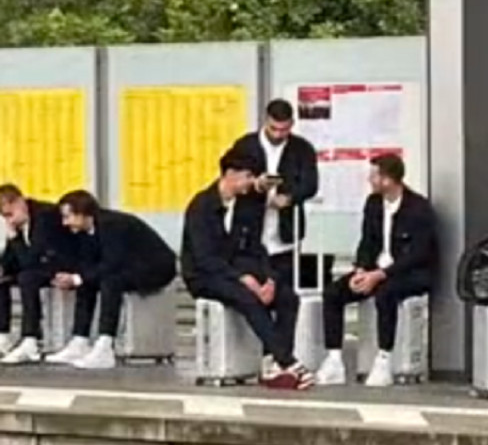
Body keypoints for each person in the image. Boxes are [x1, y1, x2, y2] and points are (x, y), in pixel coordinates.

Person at [180, 150, 313, 391]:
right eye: (248, 176)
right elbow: (204, 258)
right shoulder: (201, 207)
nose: (252, 182)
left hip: (238, 269)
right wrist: (244, 280)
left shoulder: (246, 205)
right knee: (249, 298)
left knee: (287, 297)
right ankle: (288, 361)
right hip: (205, 275)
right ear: (230, 174)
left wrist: (268, 278)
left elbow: (255, 247)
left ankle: (273, 361)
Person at [315, 154, 436, 388]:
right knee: (333, 293)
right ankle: (334, 360)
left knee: (385, 294)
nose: (370, 180)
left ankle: (383, 359)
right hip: (375, 270)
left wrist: (380, 275)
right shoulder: (373, 203)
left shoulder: (418, 208)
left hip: (408, 274)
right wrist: (360, 269)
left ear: (389, 179)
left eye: (374, 175)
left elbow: (418, 254)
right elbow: (367, 241)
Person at [227, 99, 319, 369]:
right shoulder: (245, 145)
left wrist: (289, 198)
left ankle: (280, 355)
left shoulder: (302, 149)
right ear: (265, 121)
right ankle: (267, 354)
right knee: (258, 294)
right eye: (274, 129)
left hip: (285, 234)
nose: (279, 135)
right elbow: (228, 175)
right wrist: (255, 185)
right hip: (251, 233)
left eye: (285, 130)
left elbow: (311, 184)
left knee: (284, 294)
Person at [45, 190, 177, 371]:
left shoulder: (112, 225)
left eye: (68, 217)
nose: (64, 223)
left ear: (84, 214)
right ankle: (79, 340)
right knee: (86, 282)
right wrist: (74, 277)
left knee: (110, 281)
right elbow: (88, 265)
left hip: (155, 267)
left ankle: (105, 345)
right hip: (128, 266)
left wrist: (79, 278)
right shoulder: (84, 231)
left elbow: (113, 263)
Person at [0, 184, 72, 365]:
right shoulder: (20, 221)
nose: (9, 220)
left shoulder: (44, 216)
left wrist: (14, 237)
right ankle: (3, 334)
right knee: (3, 277)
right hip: (39, 262)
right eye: (4, 216)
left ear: (20, 202)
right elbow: (14, 256)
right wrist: (3, 267)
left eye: (10, 214)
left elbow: (30, 260)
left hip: (61, 262)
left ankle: (31, 338)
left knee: (27, 277)